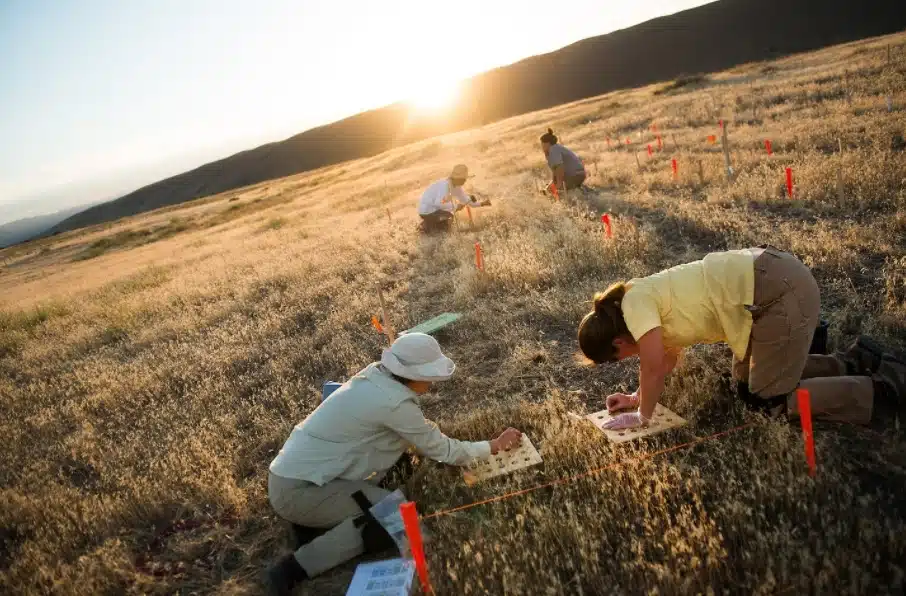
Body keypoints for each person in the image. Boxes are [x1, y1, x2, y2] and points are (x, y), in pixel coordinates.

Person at [266, 332, 522, 594]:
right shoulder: (394, 404)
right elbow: (443, 449)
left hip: (295, 476)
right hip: (298, 492)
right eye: (430, 376)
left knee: (400, 468)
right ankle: (294, 566)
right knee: (394, 519)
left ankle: (321, 522)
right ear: (415, 375)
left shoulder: (375, 376)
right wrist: (494, 445)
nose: (432, 384)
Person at [577, 245, 906, 430]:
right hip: (770, 287)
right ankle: (854, 361)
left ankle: (882, 389)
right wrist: (636, 398)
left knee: (768, 402)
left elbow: (650, 368)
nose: (628, 358)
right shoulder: (642, 301)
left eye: (619, 358)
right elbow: (664, 362)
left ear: (617, 344)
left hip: (779, 294)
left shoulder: (635, 305)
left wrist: (642, 417)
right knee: (746, 382)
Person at [417, 164, 490, 233]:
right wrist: (455, 206)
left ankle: (427, 225)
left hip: (434, 209)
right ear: (456, 178)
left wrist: (483, 203)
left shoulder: (457, 187)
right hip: (427, 210)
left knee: (447, 216)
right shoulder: (445, 185)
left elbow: (467, 201)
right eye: (463, 178)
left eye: (465, 178)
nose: (465, 180)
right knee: (449, 217)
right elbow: (438, 203)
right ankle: (427, 227)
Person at [540, 129, 586, 193]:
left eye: (542, 143)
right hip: (577, 174)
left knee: (557, 192)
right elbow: (555, 172)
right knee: (548, 190)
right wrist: (550, 186)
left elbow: (560, 167)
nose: (541, 146)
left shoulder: (553, 149)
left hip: (574, 175)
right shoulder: (553, 150)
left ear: (547, 143)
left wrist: (558, 185)